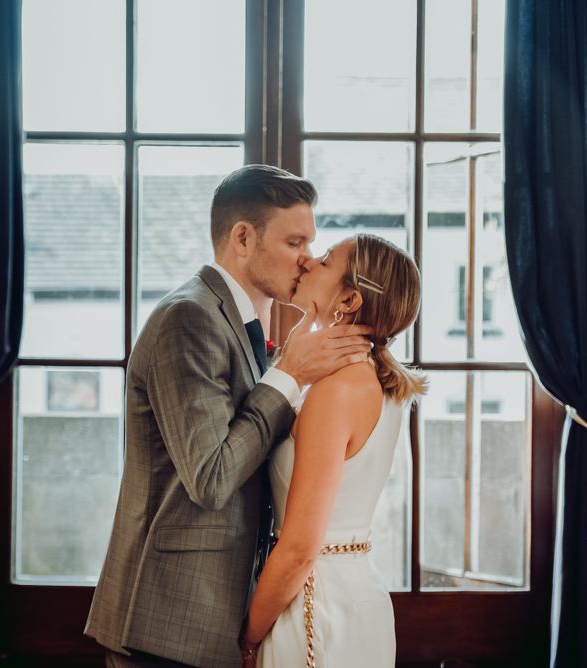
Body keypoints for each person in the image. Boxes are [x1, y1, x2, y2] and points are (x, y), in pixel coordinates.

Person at [84, 165, 373, 668]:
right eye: (295, 241)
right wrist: (287, 376)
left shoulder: (240, 324)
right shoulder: (189, 318)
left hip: (209, 618)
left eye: (311, 243)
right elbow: (212, 478)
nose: (307, 259)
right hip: (165, 623)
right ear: (243, 237)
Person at [239, 233, 427, 667]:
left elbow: (301, 547)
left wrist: (248, 638)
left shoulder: (336, 390)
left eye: (324, 261)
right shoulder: (373, 380)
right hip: (354, 594)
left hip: (315, 606)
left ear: (350, 299)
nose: (307, 263)